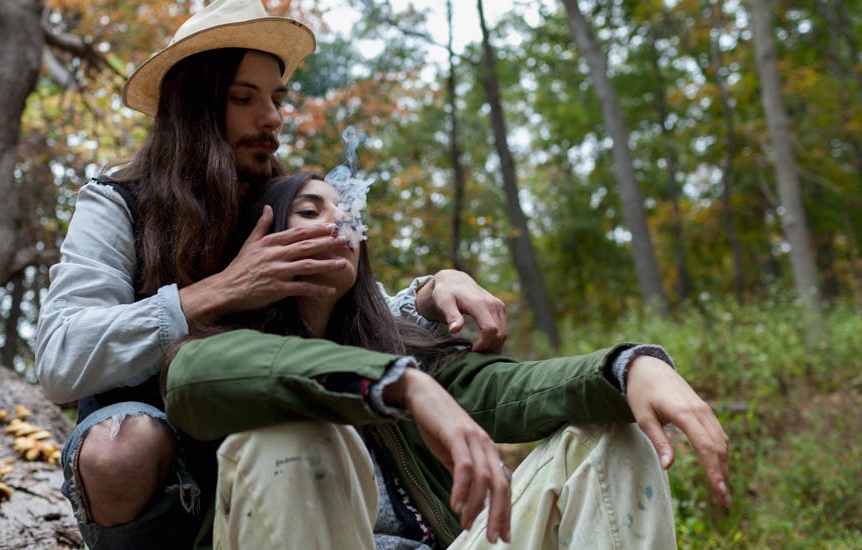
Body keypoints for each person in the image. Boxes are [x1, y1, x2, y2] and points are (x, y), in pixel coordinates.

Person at [35, 0, 510, 548]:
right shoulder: (117, 201)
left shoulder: (278, 195)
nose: (273, 118)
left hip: (263, 443)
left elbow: (355, 309)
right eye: (244, 98)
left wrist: (431, 290)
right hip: (164, 468)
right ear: (193, 107)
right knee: (121, 446)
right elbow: (60, 358)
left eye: (277, 100)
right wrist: (223, 290)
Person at [161, 172, 732, 548]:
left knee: (607, 438)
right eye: (309, 211)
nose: (338, 223)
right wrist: (398, 386)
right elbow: (192, 379)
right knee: (292, 437)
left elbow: (515, 390)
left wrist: (628, 368)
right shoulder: (216, 350)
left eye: (346, 211)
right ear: (260, 238)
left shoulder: (401, 346)